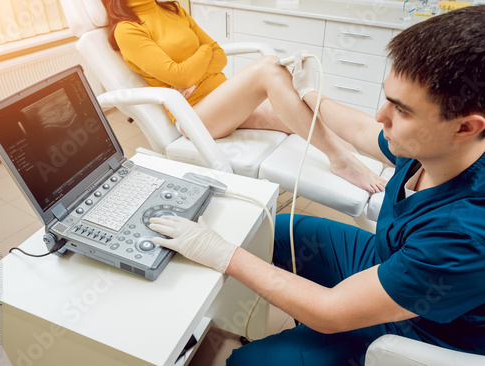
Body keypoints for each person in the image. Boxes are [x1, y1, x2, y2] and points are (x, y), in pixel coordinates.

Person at [148, 5, 485, 365]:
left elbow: (330, 311)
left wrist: (221, 253)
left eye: (401, 110)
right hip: (386, 258)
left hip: (420, 325)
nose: (381, 116)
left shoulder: (463, 233)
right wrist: (310, 93)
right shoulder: (437, 146)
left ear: (465, 128)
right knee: (270, 230)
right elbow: (361, 130)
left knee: (246, 362)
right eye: (387, 99)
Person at [101, 0, 386, 193]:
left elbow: (218, 54)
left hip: (226, 104)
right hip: (194, 117)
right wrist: (196, 65)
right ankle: (341, 161)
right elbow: (184, 74)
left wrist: (191, 70)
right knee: (269, 68)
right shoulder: (128, 29)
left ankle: (383, 165)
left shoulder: (173, 9)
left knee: (296, 116)